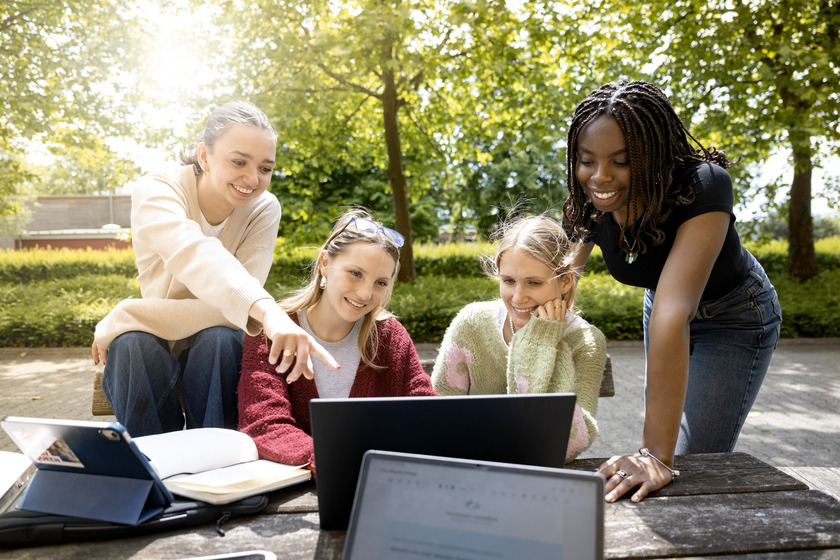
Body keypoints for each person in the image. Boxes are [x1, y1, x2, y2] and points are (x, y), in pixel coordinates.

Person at [563, 80, 782, 502]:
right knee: (668, 445)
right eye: (586, 160)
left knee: (689, 460)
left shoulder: (704, 184)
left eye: (621, 161)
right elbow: (558, 280)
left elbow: (673, 312)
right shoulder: (591, 199)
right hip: (660, 305)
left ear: (654, 155)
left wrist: (652, 455)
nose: (600, 176)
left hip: (735, 315)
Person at [92, 100, 337, 437]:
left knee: (220, 339)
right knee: (132, 343)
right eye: (239, 161)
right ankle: (148, 461)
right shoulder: (158, 191)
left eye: (266, 168)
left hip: (217, 342)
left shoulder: (263, 208)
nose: (253, 179)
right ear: (204, 156)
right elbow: (194, 254)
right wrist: (267, 312)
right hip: (155, 341)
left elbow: (237, 313)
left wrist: (128, 314)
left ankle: (219, 460)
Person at [237, 210, 436, 473]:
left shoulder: (390, 337)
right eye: (355, 273)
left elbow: (427, 414)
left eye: (380, 282)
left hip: (376, 479)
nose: (365, 293)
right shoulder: (273, 331)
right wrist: (335, 459)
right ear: (324, 263)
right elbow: (264, 424)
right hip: (299, 486)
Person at [430, 214, 607, 462]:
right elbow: (439, 414)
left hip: (541, 469)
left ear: (566, 281)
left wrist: (539, 342)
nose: (518, 297)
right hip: (469, 463)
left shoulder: (586, 342)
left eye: (534, 283)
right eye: (509, 281)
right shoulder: (471, 323)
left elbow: (570, 440)